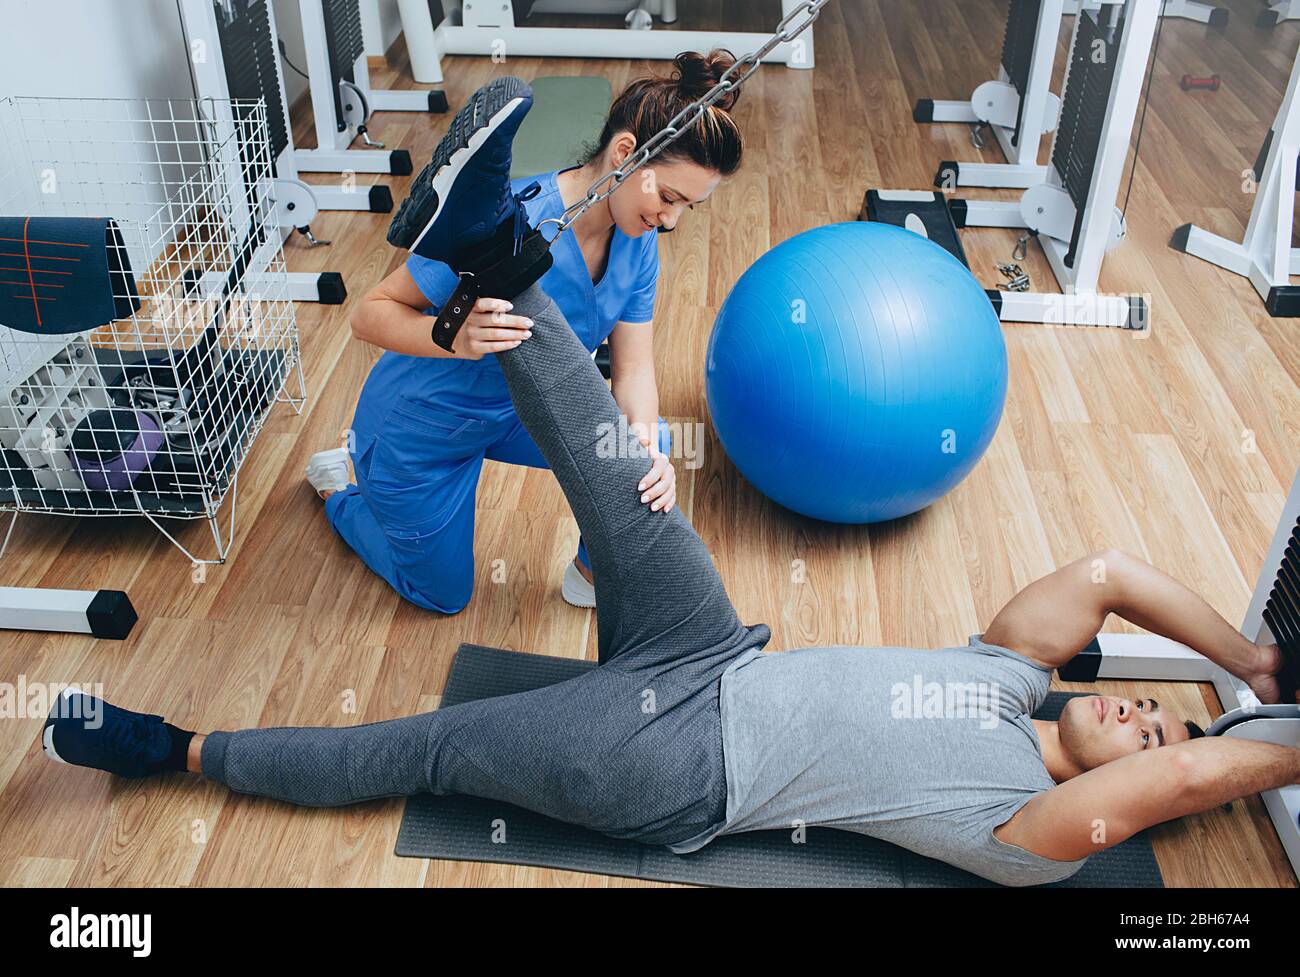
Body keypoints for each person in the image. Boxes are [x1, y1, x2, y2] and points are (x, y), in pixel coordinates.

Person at [43, 77, 1300, 887]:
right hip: (713, 652)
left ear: (1124, 802)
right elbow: (1108, 576)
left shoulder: (1029, 832)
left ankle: (175, 747)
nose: (1145, 722)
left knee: (427, 743)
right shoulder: (1009, 671)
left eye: (1154, 739)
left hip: (676, 769)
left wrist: (1251, 742)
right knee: (620, 466)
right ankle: (488, 242)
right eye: (1153, 709)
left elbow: (1202, 776)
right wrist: (1242, 668)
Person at [304, 51, 743, 613]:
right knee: (441, 596)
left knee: (645, 440)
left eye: (689, 207)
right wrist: (453, 336)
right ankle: (342, 484)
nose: (673, 219)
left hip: (519, 409)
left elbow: (633, 370)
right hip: (422, 424)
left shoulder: (639, 241)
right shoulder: (512, 226)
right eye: (669, 197)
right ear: (626, 154)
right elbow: (366, 313)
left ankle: (591, 574)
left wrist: (644, 453)